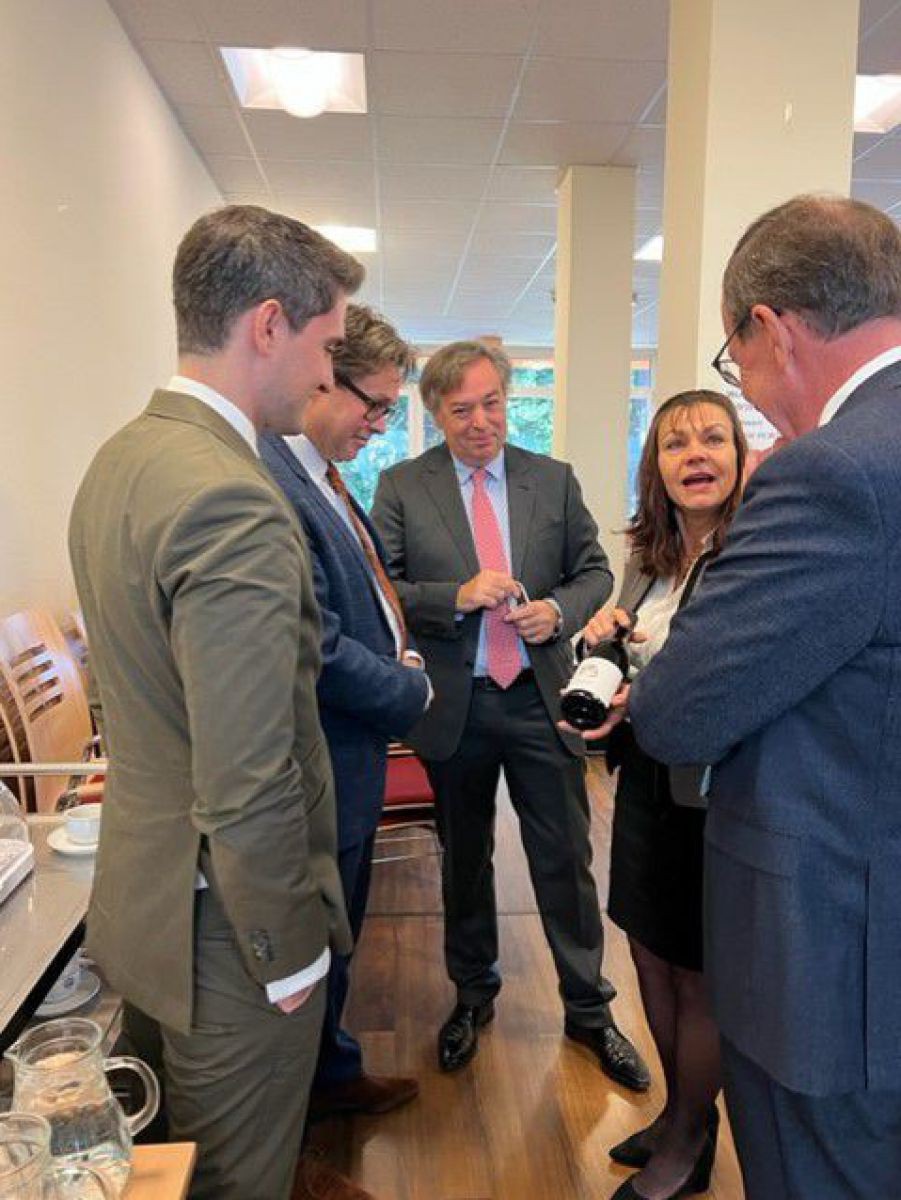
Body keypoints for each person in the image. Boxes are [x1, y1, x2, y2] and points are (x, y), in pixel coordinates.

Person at [68, 205, 364, 1200]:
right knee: (238, 1179)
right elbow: (247, 772)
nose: (326, 377)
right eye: (327, 346)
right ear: (268, 324)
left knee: (170, 1172)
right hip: (231, 937)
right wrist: (289, 957)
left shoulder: (123, 458)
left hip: (145, 907)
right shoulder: (230, 495)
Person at [622, 195, 901, 1199]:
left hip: (833, 960)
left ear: (770, 329)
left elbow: (677, 710)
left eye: (732, 356)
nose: (742, 382)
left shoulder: (831, 471)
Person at [370, 340, 649, 1090]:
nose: (480, 422)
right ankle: (472, 995)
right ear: (435, 413)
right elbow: (381, 589)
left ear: (507, 398)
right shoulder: (401, 486)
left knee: (564, 857)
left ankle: (588, 1008)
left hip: (538, 698)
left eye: (491, 403)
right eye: (461, 409)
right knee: (464, 861)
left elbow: (594, 571)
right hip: (453, 707)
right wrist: (453, 597)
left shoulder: (550, 480)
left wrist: (557, 610)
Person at [260, 305, 430, 1200]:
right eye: (376, 405)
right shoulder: (272, 480)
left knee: (340, 943)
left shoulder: (320, 473)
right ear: (327, 377)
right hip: (325, 758)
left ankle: (333, 1076)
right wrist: (408, 690)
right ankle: (289, 1150)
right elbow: (316, 647)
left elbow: (361, 591)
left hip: (353, 755)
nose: (380, 424)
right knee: (307, 957)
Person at [571, 391, 747, 1200]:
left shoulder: (751, 554)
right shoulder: (648, 557)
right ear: (656, 467)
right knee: (646, 949)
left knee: (697, 970)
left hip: (713, 791)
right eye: (675, 444)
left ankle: (686, 1138)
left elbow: (726, 677)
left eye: (712, 438)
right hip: (643, 777)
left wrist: (641, 693)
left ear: (739, 456)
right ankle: (681, 1113)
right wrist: (602, 639)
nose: (695, 455)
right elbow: (641, 659)